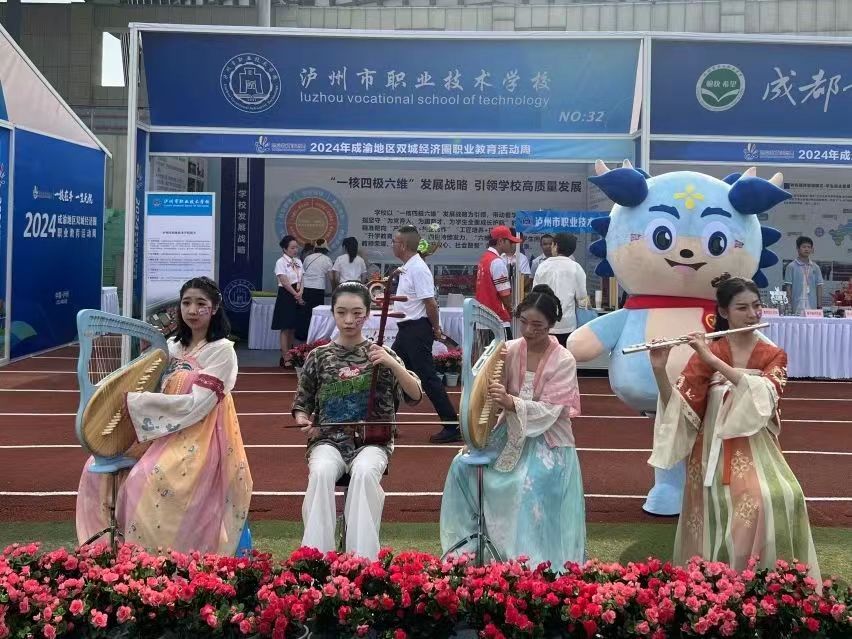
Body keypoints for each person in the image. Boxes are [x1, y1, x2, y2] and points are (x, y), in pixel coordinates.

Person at [648, 274, 819, 579]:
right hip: (709, 452)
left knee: (779, 496)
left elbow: (766, 396)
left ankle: (762, 578)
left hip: (755, 447)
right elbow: (681, 407)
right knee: (721, 512)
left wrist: (713, 361)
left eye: (756, 306)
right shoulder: (711, 350)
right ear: (724, 312)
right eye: (743, 308)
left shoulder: (773, 354)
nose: (753, 314)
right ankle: (715, 582)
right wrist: (659, 370)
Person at [76, 277, 252, 555]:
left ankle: (150, 558)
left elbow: (197, 405)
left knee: (144, 479)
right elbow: (151, 383)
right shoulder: (171, 346)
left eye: (201, 304)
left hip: (198, 436)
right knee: (94, 469)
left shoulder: (222, 352)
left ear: (215, 308)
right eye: (186, 303)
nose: (192, 310)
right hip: (158, 431)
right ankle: (103, 551)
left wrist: (140, 403)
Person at [440, 285, 585, 567]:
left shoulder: (564, 360)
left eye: (538, 326)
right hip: (508, 431)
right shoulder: (508, 350)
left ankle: (527, 562)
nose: (529, 330)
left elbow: (552, 411)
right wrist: (484, 404)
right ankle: (468, 552)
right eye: (524, 322)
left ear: (552, 326)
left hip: (548, 439)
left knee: (525, 483)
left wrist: (511, 402)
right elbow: (487, 392)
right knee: (461, 467)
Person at [293, 282, 422, 559]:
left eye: (356, 313)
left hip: (373, 442)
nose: (349, 320)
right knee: (321, 472)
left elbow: (415, 395)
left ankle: (362, 561)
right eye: (341, 312)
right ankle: (316, 558)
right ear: (333, 313)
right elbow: (302, 404)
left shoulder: (383, 355)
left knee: (364, 473)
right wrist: (304, 420)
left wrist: (392, 364)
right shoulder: (319, 356)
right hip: (328, 441)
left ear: (367, 314)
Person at [390, 225, 460, 444]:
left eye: (394, 242)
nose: (392, 245)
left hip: (416, 330)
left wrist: (436, 329)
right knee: (391, 372)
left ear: (402, 245)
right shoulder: (408, 267)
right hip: (406, 330)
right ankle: (386, 422)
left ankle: (452, 426)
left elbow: (430, 303)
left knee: (428, 377)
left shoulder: (418, 269)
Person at [531, 233, 589, 346]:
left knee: (545, 354)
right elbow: (582, 297)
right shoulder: (576, 268)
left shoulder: (543, 266)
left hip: (545, 321)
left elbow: (535, 295)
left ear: (556, 246)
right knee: (564, 354)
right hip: (567, 323)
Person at [476, 226, 521, 339]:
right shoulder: (497, 262)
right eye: (510, 241)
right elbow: (504, 293)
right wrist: (512, 308)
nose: (512, 245)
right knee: (504, 350)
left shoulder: (485, 258)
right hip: (497, 319)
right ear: (501, 241)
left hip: (483, 317)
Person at [272, 235, 304, 367]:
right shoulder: (280, 262)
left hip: (297, 293)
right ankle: (285, 357)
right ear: (285, 249)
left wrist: (300, 292)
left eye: (296, 247)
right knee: (285, 327)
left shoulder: (299, 261)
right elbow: (284, 281)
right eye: (292, 248)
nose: (295, 250)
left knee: (293, 327)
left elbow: (302, 278)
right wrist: (295, 294)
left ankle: (291, 353)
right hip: (286, 294)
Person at [783, 236, 824, 314]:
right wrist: (789, 305)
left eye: (809, 247)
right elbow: (788, 287)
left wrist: (819, 306)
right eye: (804, 247)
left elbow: (819, 287)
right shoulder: (791, 266)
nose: (806, 249)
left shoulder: (815, 267)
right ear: (798, 248)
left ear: (812, 249)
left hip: (812, 305)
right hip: (796, 304)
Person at [301, 238, 334, 318]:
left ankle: (304, 326)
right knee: (317, 313)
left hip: (305, 287)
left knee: (305, 312)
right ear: (325, 249)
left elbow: (302, 272)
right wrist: (334, 289)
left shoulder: (308, 258)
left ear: (315, 248)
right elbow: (331, 278)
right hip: (318, 288)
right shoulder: (327, 259)